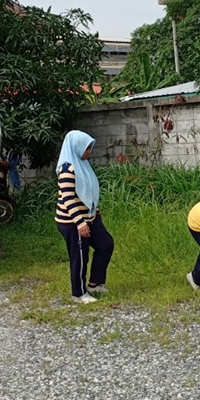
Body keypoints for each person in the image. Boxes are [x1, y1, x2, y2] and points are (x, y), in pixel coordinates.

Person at [55, 130, 113, 304]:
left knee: (106, 244)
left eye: (90, 148)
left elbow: (89, 193)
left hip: (90, 217)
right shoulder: (67, 169)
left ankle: (95, 284)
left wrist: (96, 213)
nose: (89, 152)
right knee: (80, 255)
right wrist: (80, 223)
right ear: (76, 147)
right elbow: (68, 198)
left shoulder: (83, 165)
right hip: (72, 221)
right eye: (86, 148)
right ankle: (78, 294)